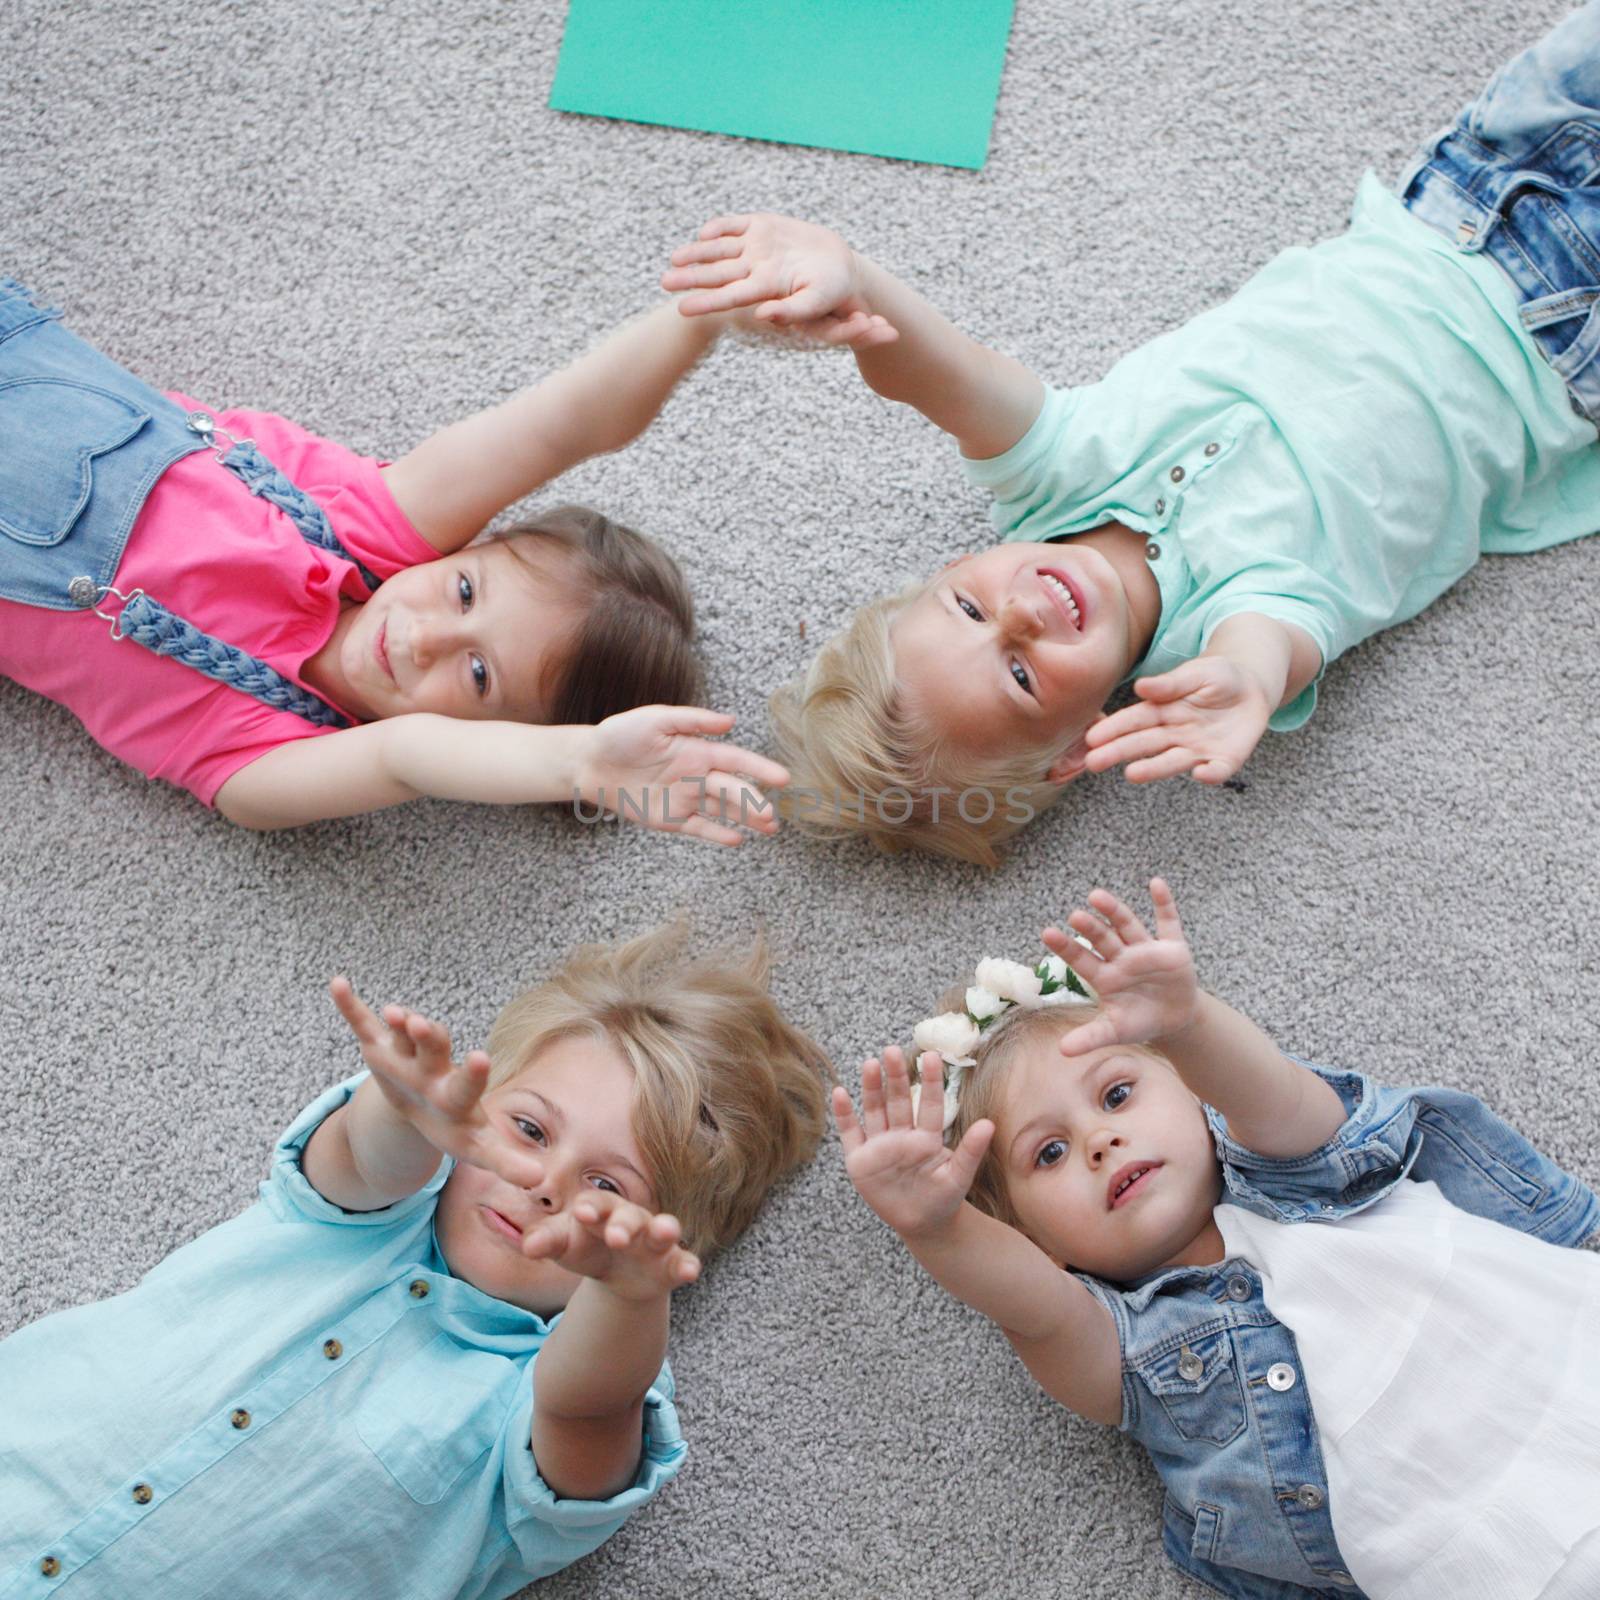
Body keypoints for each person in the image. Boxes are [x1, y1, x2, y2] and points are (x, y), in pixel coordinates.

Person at [663, 3, 1600, 865]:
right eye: (1021, 675)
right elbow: (1267, 644)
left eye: (969, 611)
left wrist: (849, 276)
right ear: (1078, 747)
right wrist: (1245, 685)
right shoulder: (1214, 637)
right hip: (1565, 350)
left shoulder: (1055, 470)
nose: (1021, 615)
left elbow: (936, 372)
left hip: (1469, 194)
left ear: (951, 567)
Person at [0, 924, 833, 1598]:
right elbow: (370, 1158)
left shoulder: (550, 1391)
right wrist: (400, 1106)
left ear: (666, 1248)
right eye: (530, 1130)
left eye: (606, 1185)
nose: (542, 1184)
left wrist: (625, 1297)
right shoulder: (364, 1217)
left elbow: (587, 1410)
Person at [833, 878, 1600, 1599]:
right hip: (1476, 1554)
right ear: (1034, 1242)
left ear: (1193, 1094)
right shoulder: (1137, 1349)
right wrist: (938, 1228)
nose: (1100, 1141)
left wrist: (1190, 1023)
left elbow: (1269, 1092)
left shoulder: (1298, 1170)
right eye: (1051, 1153)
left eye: (1118, 1094)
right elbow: (1038, 1311)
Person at [0, 281, 785, 840]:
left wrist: (578, 761)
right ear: (464, 550)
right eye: (466, 590)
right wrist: (703, 316)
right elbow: (563, 425)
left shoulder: (263, 751)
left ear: (498, 744)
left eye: (479, 677)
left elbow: (406, 757)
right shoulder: (364, 527)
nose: (425, 636)